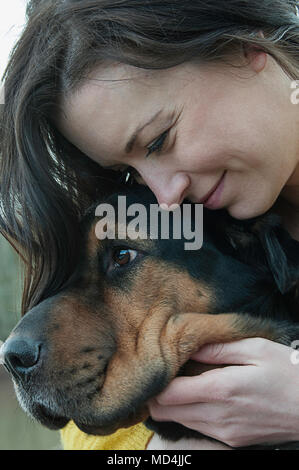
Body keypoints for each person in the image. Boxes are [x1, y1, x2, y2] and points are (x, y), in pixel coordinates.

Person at [1, 0, 299, 450]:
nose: (164, 194)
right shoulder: (185, 220)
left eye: (160, 139)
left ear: (243, 46)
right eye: (131, 171)